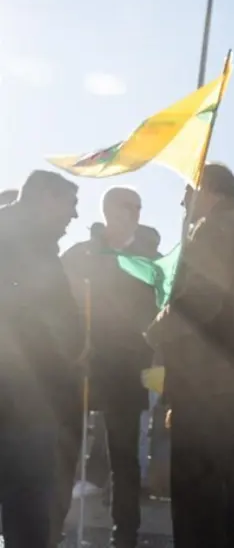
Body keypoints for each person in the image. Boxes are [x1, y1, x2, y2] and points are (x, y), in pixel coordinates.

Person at [145, 164, 234, 548]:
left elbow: (198, 300)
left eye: (188, 192)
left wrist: (153, 334)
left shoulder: (214, 229)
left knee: (197, 495)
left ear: (209, 191)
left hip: (204, 380)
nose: (183, 202)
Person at [58, 187, 160, 548]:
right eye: (124, 207)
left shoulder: (150, 259)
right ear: (106, 210)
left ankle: (125, 534)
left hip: (126, 368)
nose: (131, 213)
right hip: (80, 363)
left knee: (124, 456)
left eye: (136, 207)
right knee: (65, 449)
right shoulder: (81, 254)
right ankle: (56, 528)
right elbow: (58, 299)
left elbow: (160, 310)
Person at [0, 170, 81, 548]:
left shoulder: (33, 241)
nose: (75, 216)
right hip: (24, 398)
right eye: (70, 205)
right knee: (28, 506)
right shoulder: (22, 243)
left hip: (29, 395)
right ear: (47, 199)